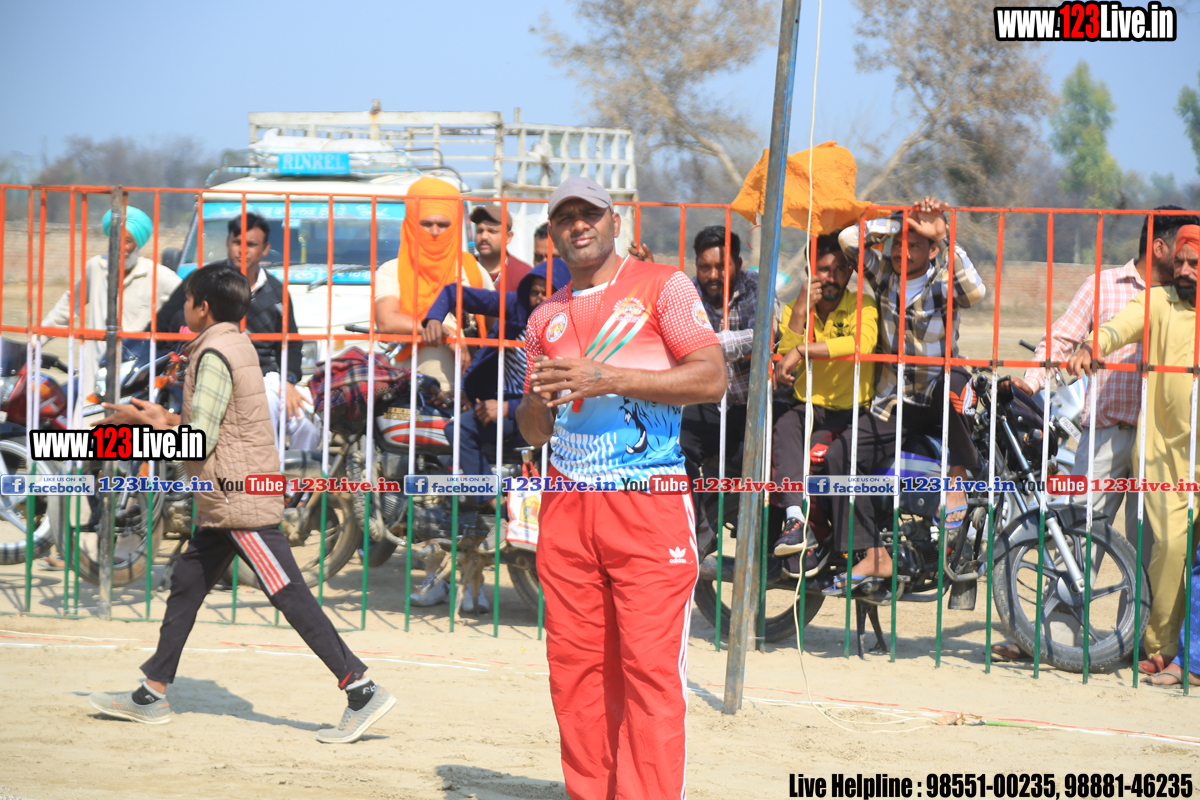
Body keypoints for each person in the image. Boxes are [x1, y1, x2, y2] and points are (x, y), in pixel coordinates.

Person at [87, 267, 394, 742]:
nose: (184, 306)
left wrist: (141, 426)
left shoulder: (213, 354)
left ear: (203, 307)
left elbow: (200, 438)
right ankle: (151, 693)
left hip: (238, 499)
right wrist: (162, 415)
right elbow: (213, 422)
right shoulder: (235, 343)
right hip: (225, 498)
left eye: (188, 298)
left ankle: (361, 688)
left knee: (288, 592)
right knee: (187, 581)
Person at [517, 177, 724, 799]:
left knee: (649, 671)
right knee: (575, 671)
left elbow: (710, 378)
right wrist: (538, 402)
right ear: (552, 234)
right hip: (567, 504)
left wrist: (607, 377)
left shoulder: (664, 286)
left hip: (648, 499)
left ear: (615, 221)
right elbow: (531, 427)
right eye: (565, 217)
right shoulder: (544, 316)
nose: (578, 225)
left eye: (590, 213)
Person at [994, 206, 1198, 663]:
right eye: (1181, 251)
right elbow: (1063, 339)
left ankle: (1135, 644)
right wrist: (1033, 381)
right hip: (1106, 433)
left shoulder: (1183, 301)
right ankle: (1048, 636)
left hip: (1162, 445)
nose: (1187, 263)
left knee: (1153, 547)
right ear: (1161, 246)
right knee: (1080, 535)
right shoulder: (1105, 286)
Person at [825, 197, 987, 591]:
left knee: (953, 380)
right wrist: (899, 223)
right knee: (839, 456)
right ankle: (872, 552)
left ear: (931, 251)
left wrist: (943, 236)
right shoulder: (884, 275)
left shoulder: (943, 279)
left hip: (939, 392)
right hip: (894, 400)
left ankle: (957, 480)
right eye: (899, 244)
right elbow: (848, 239)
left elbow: (976, 291)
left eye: (914, 245)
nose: (902, 251)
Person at [1069, 222, 1200, 673]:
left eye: (1194, 263)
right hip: (1165, 454)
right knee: (1169, 548)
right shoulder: (1158, 301)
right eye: (1179, 262)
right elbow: (1118, 327)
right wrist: (1094, 344)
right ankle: (1159, 646)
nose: (1184, 271)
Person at [155, 213, 318, 451]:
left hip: (265, 377)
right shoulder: (204, 281)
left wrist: (289, 381)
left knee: (306, 423)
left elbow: (291, 343)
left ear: (265, 249)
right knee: (266, 406)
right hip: (213, 373)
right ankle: (264, 471)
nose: (243, 250)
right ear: (227, 243)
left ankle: (296, 476)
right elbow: (161, 326)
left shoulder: (276, 292)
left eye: (251, 244)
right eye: (237, 242)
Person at [771, 232, 878, 574]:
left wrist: (803, 349)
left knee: (828, 458)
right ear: (809, 270)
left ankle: (840, 545)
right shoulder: (797, 309)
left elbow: (861, 344)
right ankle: (795, 522)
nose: (831, 278)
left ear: (850, 273)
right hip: (811, 407)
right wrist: (801, 311)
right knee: (784, 429)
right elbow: (784, 363)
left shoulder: (863, 304)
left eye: (840, 269)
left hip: (853, 410)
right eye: (823, 269)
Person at [422, 258, 571, 480]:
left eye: (547, 293)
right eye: (534, 292)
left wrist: (507, 408)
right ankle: (488, 495)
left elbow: (562, 387)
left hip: (541, 408)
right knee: (458, 429)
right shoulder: (517, 306)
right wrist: (434, 320)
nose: (539, 299)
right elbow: (454, 293)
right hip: (500, 398)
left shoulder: (570, 326)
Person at [41, 205, 181, 417]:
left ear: (138, 244)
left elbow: (187, 300)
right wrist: (37, 341)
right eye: (115, 240)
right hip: (94, 374)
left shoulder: (158, 276)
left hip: (134, 376)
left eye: (127, 241)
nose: (120, 247)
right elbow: (68, 305)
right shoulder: (95, 267)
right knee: (85, 427)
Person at [374, 177, 495, 393]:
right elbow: (386, 321)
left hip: (466, 395)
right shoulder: (391, 270)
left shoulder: (472, 269)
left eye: (443, 224)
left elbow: (497, 325)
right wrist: (442, 331)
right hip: (410, 394)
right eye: (427, 224)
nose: (435, 231)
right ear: (412, 223)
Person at [470, 202, 532, 291]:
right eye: (479, 231)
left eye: (492, 231)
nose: (484, 236)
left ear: (508, 237)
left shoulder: (523, 274)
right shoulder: (463, 268)